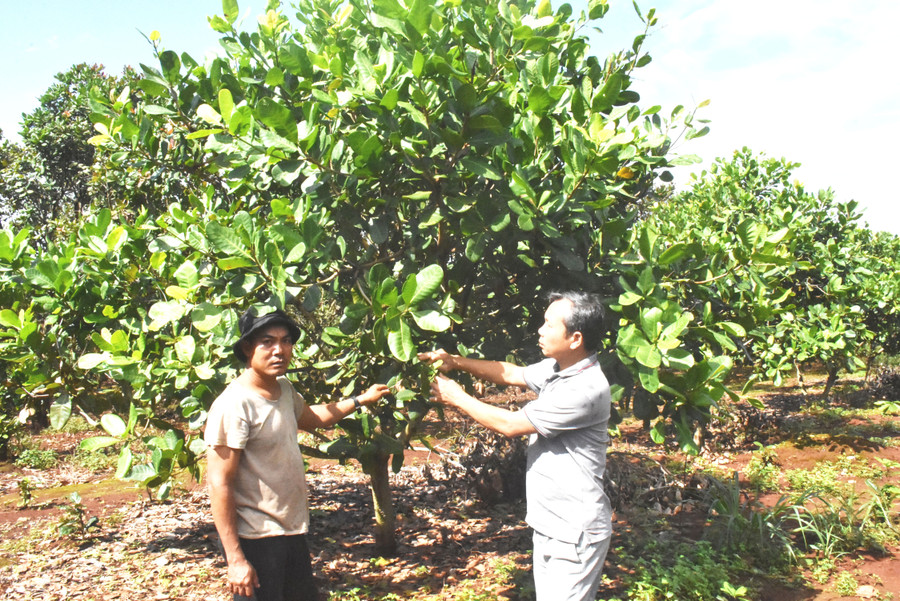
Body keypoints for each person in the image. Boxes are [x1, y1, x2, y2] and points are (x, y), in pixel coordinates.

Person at [418, 291, 612, 601]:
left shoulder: (585, 389)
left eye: (549, 325)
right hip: (551, 523)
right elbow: (512, 373)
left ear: (575, 339)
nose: (540, 330)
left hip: (574, 531)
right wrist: (453, 361)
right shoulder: (558, 369)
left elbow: (510, 425)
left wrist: (455, 396)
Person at [205, 308, 391, 601]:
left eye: (286, 340)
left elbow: (312, 418)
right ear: (246, 348)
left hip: (290, 531)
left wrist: (360, 400)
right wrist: (236, 559)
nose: (279, 350)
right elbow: (219, 484)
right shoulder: (235, 405)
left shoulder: (283, 389)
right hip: (256, 537)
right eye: (267, 341)